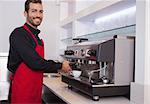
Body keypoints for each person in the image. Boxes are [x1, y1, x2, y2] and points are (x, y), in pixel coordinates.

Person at [7, 0, 71, 103]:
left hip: (35, 91)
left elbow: (39, 61)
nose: (38, 15)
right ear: (25, 13)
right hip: (22, 92)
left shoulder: (37, 38)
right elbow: (35, 62)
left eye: (41, 11)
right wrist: (60, 66)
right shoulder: (19, 34)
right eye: (34, 11)